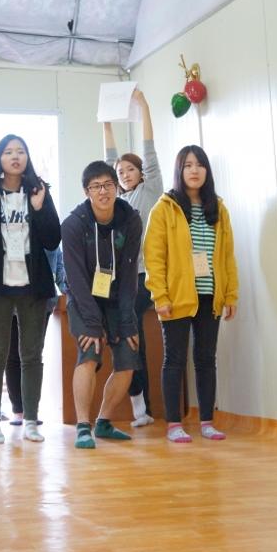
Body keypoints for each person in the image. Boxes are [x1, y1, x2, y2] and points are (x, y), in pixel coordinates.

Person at [0, 134, 61, 444]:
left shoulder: (38, 190)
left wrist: (39, 208)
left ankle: (31, 420)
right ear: (0, 158)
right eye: (9, 152)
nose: (15, 156)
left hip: (33, 286)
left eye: (21, 151)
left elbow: (53, 239)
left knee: (31, 355)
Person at [144, 145, 238, 443]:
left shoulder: (218, 209)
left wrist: (231, 294)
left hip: (210, 296)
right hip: (176, 297)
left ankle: (207, 421)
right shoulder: (165, 208)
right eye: (187, 165)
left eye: (199, 164)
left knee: (206, 359)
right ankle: (174, 424)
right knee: (174, 360)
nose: (194, 170)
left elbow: (227, 256)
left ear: (207, 170)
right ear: (179, 171)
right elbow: (154, 257)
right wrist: (160, 296)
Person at [62, 161, 142, 449]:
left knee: (129, 357)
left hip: (118, 297)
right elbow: (75, 279)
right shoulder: (73, 225)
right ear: (87, 192)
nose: (103, 191)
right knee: (90, 352)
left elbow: (130, 273)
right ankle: (83, 426)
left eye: (108, 184)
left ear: (116, 188)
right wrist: (93, 324)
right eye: (96, 186)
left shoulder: (130, 219)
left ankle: (104, 422)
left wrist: (127, 321)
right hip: (84, 298)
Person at [103, 88, 161, 427]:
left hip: (143, 277)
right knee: (125, 336)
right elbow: (108, 159)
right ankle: (141, 405)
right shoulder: (116, 200)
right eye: (120, 171)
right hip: (117, 279)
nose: (124, 174)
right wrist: (106, 123)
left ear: (140, 172)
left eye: (129, 169)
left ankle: (143, 407)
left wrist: (144, 107)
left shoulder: (149, 192)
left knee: (131, 333)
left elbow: (149, 150)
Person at [5, 247, 67, 426]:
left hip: (42, 301)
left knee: (33, 356)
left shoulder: (50, 237)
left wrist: (68, 289)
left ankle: (31, 410)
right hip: (13, 300)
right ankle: (18, 410)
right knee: (13, 356)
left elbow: (59, 266)